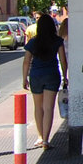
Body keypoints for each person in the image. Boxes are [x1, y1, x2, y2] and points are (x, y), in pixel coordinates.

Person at [22, 14, 67, 149]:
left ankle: (40, 136)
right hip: (52, 75)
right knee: (48, 108)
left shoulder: (33, 42)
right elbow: (63, 60)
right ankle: (47, 140)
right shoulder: (57, 41)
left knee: (38, 107)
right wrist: (65, 76)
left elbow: (26, 62)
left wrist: (24, 78)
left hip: (35, 76)